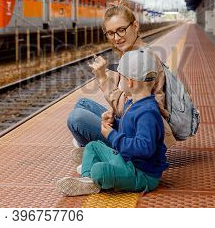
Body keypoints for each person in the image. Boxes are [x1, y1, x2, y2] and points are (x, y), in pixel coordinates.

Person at [66, 0, 176, 166]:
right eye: (110, 33)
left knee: (77, 118)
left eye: (121, 30)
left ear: (135, 26)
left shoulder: (139, 59)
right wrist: (111, 112)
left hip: (137, 140)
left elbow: (133, 108)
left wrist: (102, 78)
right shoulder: (134, 51)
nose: (116, 38)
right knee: (83, 103)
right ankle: (92, 150)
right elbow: (127, 105)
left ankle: (103, 154)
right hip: (133, 123)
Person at [57, 49, 169, 196]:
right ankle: (87, 179)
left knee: (99, 170)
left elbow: (144, 148)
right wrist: (114, 124)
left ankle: (92, 172)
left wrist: (112, 136)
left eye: (120, 77)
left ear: (129, 81)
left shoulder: (147, 113)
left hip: (141, 173)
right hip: (126, 160)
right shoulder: (133, 102)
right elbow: (129, 129)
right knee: (92, 146)